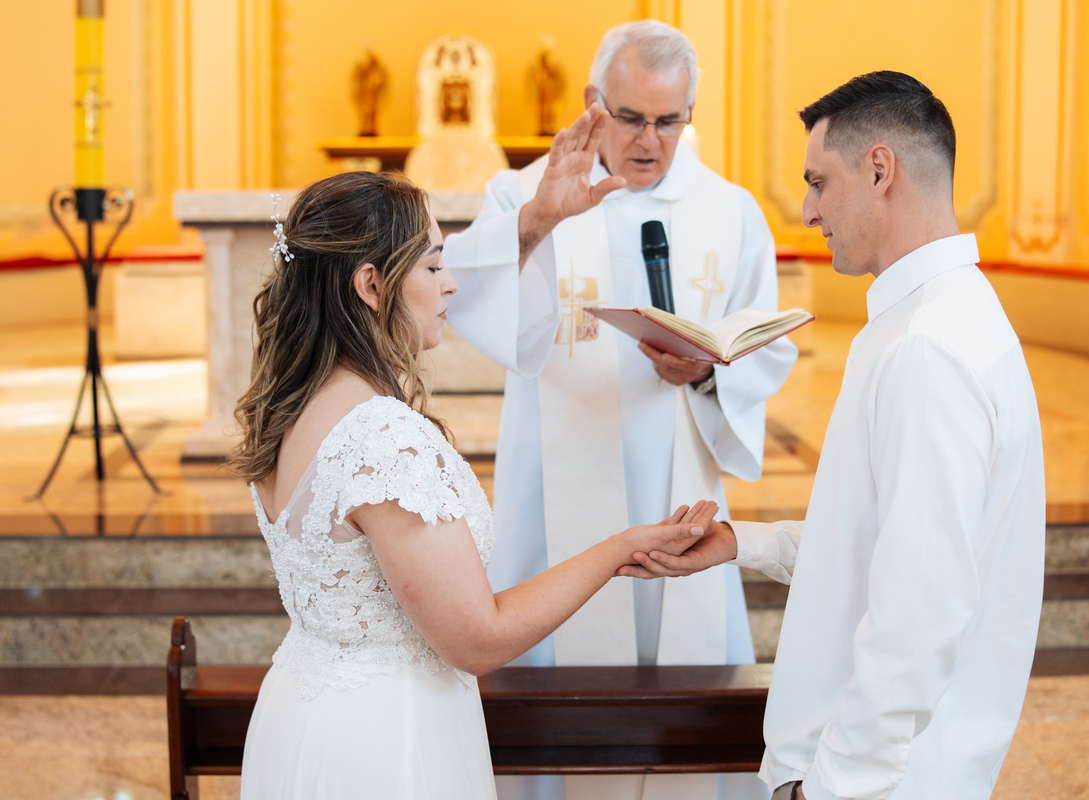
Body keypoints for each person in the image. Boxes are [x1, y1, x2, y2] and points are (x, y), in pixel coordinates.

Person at [623, 71, 1046, 800]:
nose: (810, 210)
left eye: (818, 182)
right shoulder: (943, 317)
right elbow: (884, 541)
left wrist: (830, 787)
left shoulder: (927, 350)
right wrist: (743, 544)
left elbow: (921, 610)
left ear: (880, 169)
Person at [228, 171, 710, 799]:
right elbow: (477, 638)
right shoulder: (380, 437)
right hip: (384, 739)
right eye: (432, 266)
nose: (451, 283)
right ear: (372, 285)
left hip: (304, 709)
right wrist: (621, 549)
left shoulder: (290, 406)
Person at [444, 19, 795, 800]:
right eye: (632, 118)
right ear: (593, 104)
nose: (651, 141)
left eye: (671, 121)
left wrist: (705, 374)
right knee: (557, 699)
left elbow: (762, 347)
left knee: (686, 671)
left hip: (681, 486)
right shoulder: (523, 192)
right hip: (554, 496)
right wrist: (539, 220)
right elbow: (469, 303)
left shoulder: (731, 211)